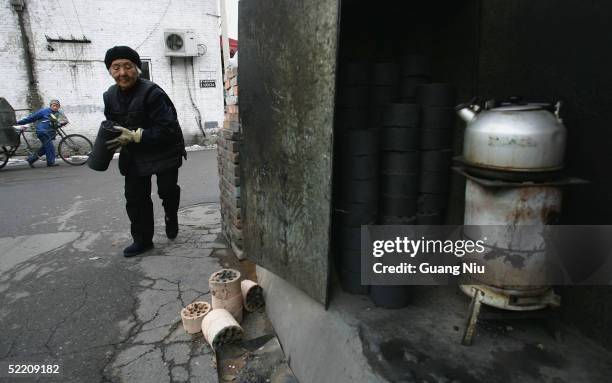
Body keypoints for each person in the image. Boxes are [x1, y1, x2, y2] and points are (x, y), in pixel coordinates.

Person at [103, 46, 186, 257]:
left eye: (128, 67)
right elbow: (112, 122)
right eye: (116, 68)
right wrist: (111, 137)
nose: (122, 73)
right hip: (134, 155)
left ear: (137, 69)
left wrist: (136, 135)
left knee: (166, 190)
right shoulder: (109, 96)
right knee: (135, 198)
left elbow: (168, 129)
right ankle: (143, 240)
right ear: (110, 71)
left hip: (164, 150)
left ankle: (170, 215)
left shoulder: (152, 93)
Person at [15, 99, 67, 167]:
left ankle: (31, 159)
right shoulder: (44, 111)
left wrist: (63, 123)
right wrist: (18, 123)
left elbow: (61, 121)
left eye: (57, 106)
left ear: (59, 107)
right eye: (53, 105)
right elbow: (32, 118)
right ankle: (50, 162)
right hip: (42, 131)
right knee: (50, 146)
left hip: (49, 132)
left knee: (45, 148)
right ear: (50, 106)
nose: (55, 107)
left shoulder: (58, 113)